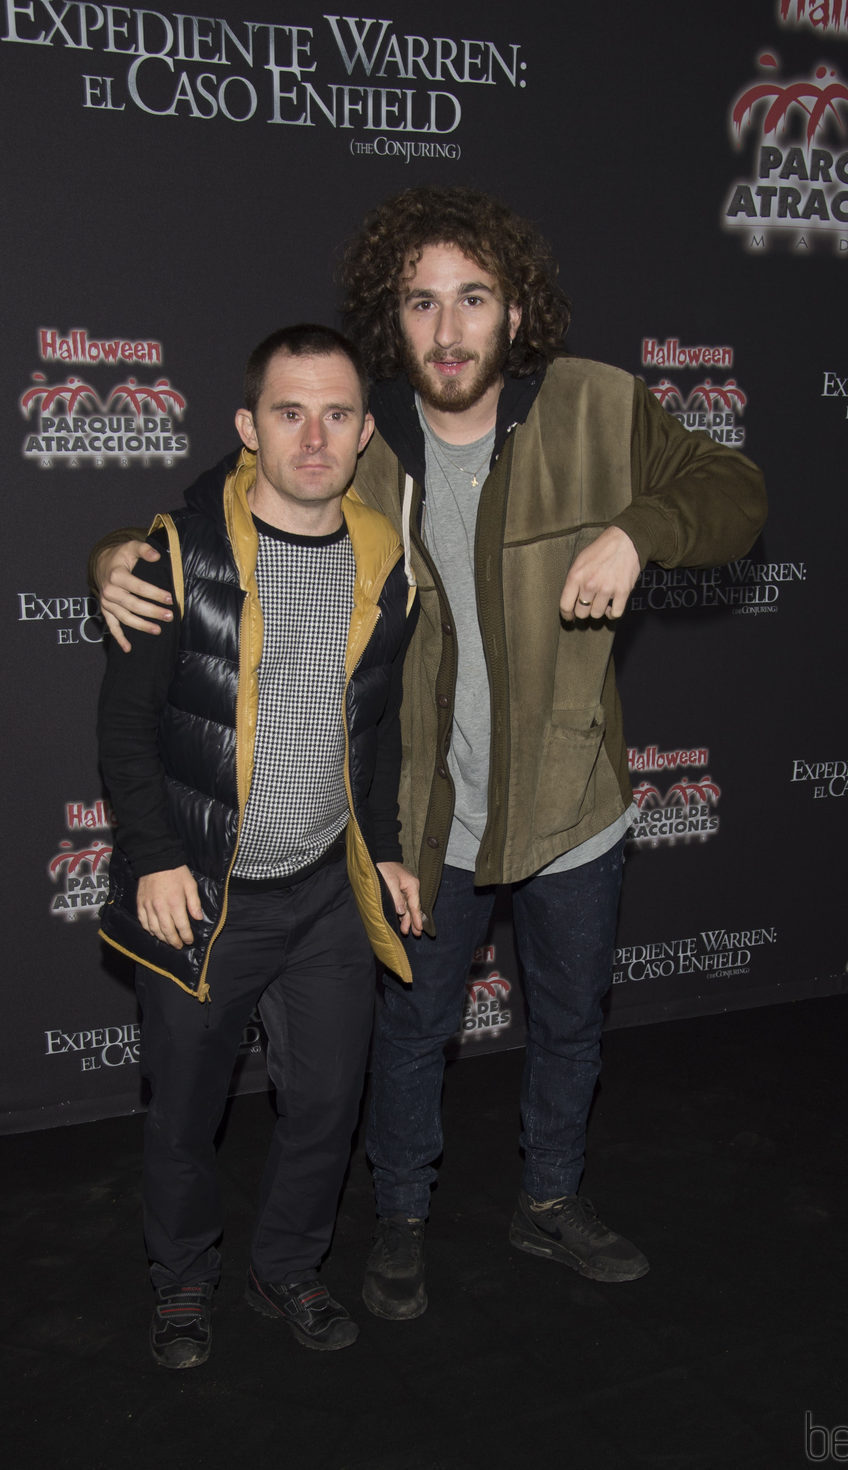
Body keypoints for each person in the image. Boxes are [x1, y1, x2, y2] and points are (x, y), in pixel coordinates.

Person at [94, 186, 767, 1326]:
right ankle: (399, 1218)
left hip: (571, 804)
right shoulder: (357, 439)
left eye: (472, 299)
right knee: (410, 1036)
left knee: (568, 1023)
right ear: (388, 318)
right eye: (420, 304)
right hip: (421, 817)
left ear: (515, 310)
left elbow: (732, 491)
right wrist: (114, 552)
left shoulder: (600, 406)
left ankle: (548, 1200)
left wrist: (636, 528)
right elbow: (216, 510)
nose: (447, 330)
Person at [96, 324, 421, 1369]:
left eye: (336, 413)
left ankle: (288, 1267)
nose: (314, 436)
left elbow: (375, 729)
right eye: (289, 411)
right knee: (185, 1116)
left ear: (365, 431)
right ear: (248, 427)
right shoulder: (174, 555)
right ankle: (183, 1281)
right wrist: (151, 857)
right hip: (205, 892)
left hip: (327, 894)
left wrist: (391, 849)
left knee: (327, 1104)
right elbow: (126, 727)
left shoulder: (386, 559)